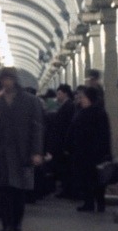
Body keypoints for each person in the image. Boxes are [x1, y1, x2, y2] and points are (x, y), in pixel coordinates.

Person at [0, 67, 45, 231]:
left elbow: (37, 128)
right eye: (3, 79)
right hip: (1, 153)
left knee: (18, 191)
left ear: (15, 80)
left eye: (9, 78)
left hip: (22, 152)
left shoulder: (30, 101)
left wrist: (37, 152)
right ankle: (7, 226)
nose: (6, 82)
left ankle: (16, 224)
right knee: (3, 191)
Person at [69, 84, 112, 212]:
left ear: (90, 98)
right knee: (94, 179)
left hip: (89, 152)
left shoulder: (92, 113)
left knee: (91, 178)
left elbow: (101, 134)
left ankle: (91, 203)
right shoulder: (97, 111)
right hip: (89, 152)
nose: (81, 100)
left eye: (83, 98)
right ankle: (98, 203)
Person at [47, 84, 78, 198]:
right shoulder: (67, 105)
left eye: (59, 93)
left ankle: (67, 190)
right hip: (62, 141)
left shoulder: (68, 106)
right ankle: (66, 189)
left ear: (65, 93)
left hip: (63, 141)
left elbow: (65, 125)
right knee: (63, 167)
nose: (57, 96)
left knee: (64, 167)